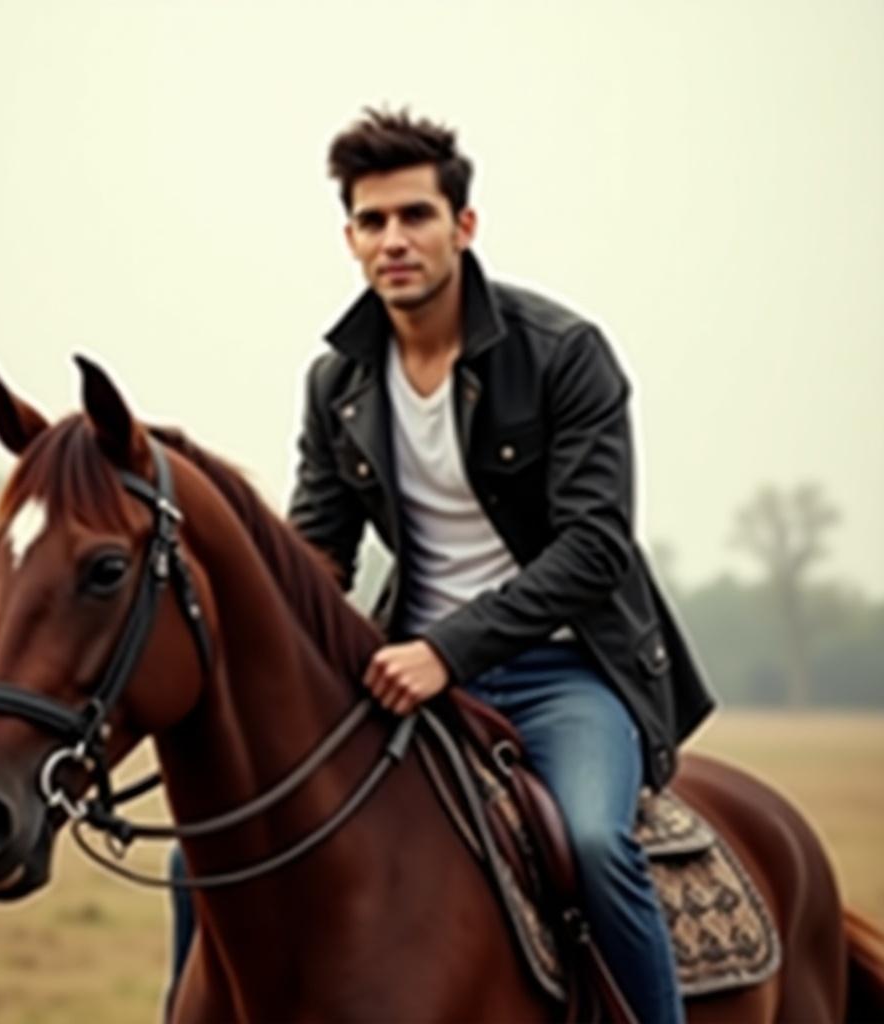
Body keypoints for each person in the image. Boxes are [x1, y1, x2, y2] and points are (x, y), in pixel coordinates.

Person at [171, 108, 714, 1024]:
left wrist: (448, 651)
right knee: (201, 856)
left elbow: (594, 549)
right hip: (400, 679)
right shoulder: (337, 383)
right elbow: (319, 554)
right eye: (373, 222)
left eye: (416, 216)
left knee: (590, 841)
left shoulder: (563, 355)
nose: (395, 240)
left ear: (463, 226)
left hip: (565, 672)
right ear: (349, 239)